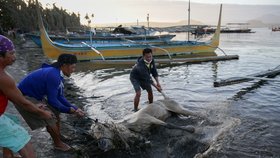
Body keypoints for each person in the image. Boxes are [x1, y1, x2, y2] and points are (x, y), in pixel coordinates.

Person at [16, 53, 85, 151]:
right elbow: (52, 100)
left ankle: (58, 136)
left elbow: (59, 96)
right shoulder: (54, 75)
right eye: (72, 67)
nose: (74, 70)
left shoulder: (57, 73)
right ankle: (58, 144)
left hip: (36, 95)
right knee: (50, 117)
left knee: (56, 111)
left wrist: (75, 108)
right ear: (64, 65)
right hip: (24, 97)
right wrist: (70, 110)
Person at [0, 35, 53, 158]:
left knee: (12, 123)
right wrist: (43, 113)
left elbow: (15, 96)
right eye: (11, 53)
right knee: (24, 141)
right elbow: (22, 102)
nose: (14, 57)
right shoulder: (3, 78)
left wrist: (34, 105)